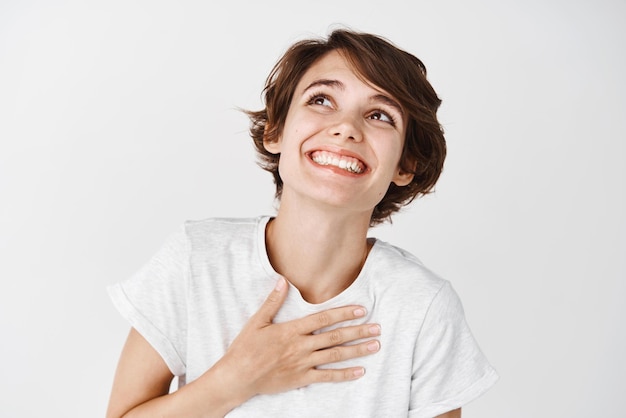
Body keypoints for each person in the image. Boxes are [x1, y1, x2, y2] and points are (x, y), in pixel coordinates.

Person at [106, 29, 498, 418]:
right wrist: (236, 380)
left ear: (405, 165)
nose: (346, 127)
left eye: (379, 115)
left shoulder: (423, 307)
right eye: (322, 100)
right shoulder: (196, 260)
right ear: (275, 131)